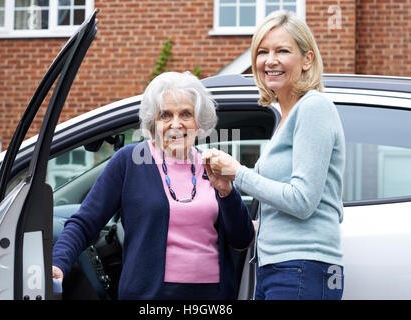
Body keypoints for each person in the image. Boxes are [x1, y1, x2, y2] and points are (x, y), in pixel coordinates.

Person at [52, 71, 255, 300]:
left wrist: (226, 191)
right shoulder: (129, 161)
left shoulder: (212, 164)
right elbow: (85, 222)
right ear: (153, 122)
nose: (175, 124)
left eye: (186, 114)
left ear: (198, 122)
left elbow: (242, 239)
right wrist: (59, 262)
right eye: (165, 115)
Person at [201, 10, 345, 300]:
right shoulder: (285, 118)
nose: (270, 60)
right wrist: (227, 186)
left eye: (282, 50)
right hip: (277, 267)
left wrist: (238, 172)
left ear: (307, 60)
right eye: (263, 52)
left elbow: (302, 201)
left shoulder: (313, 107)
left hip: (301, 267)